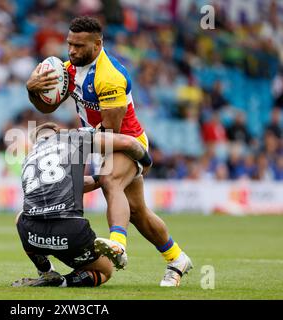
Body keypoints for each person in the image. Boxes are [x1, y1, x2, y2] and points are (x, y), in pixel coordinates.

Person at [26, 16, 192, 287]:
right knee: (138, 212)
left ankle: (118, 245)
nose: (71, 51)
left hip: (128, 142)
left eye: (79, 46)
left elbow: (110, 132)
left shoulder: (110, 77)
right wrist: (32, 91)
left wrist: (68, 139)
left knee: (109, 178)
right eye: (69, 44)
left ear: (98, 43)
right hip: (99, 143)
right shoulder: (68, 70)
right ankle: (177, 259)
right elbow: (47, 108)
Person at [12, 122, 152, 287]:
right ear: (59, 131)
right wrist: (146, 162)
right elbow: (128, 143)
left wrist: (100, 179)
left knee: (20, 217)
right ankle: (63, 282)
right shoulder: (72, 137)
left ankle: (46, 272)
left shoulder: (29, 158)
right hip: (69, 232)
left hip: (33, 234)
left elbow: (74, 184)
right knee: (105, 271)